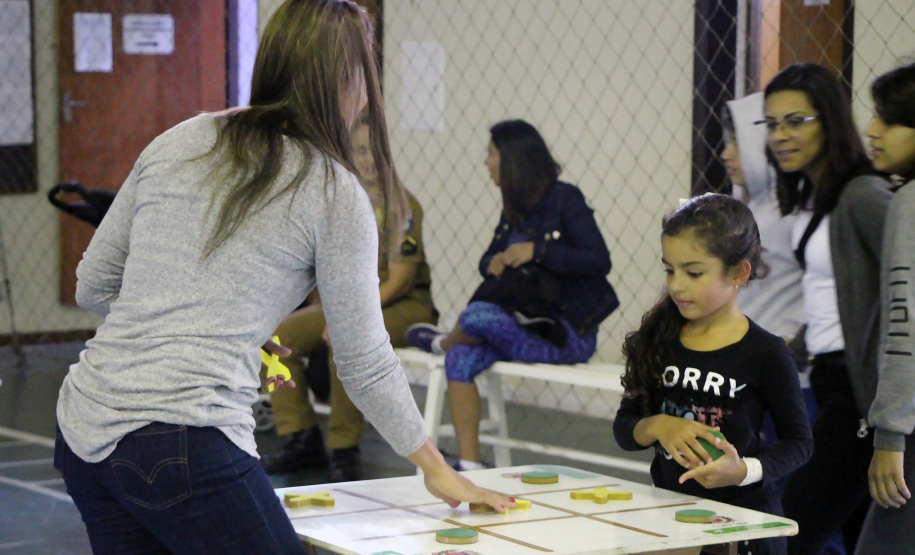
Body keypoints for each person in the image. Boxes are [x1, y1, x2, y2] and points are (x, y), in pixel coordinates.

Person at [53, 1, 511, 552]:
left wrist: (175, 323)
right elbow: (363, 362)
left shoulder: (182, 138)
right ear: (352, 82)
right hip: (183, 437)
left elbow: (93, 284)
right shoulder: (333, 191)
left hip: (82, 424)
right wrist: (436, 467)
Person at [406, 119, 619, 471]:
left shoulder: (566, 199)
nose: (486, 162)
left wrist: (537, 251)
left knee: (475, 318)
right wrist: (497, 262)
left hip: (564, 334)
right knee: (460, 359)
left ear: (513, 159)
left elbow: (599, 261)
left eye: (491, 153)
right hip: (521, 329)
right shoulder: (513, 210)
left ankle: (441, 341)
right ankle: (471, 467)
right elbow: (485, 260)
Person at [613, 193, 813, 555]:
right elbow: (625, 428)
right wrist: (658, 425)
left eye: (693, 272)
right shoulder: (658, 340)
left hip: (744, 527)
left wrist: (744, 471)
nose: (676, 285)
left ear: (738, 273)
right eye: (669, 270)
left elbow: (799, 444)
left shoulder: (766, 352)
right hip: (673, 520)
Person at [261, 114, 438, 482]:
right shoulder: (338, 203)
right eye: (359, 150)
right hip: (347, 305)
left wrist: (348, 316)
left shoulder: (402, 205)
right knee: (278, 337)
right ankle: (300, 436)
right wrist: (324, 310)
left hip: (402, 305)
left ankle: (343, 447)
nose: (368, 159)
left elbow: (402, 279)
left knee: (350, 339)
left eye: (375, 150)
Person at [761, 63, 893, 555]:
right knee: (858, 538)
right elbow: (833, 302)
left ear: (830, 121)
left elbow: (904, 286)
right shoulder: (818, 195)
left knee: (787, 532)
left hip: (863, 397)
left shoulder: (863, 194)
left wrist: (888, 402)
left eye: (796, 121)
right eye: (772, 124)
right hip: (832, 383)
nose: (781, 135)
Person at [855, 61, 915, 555]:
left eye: (889, 119)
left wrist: (889, 436)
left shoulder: (910, 203)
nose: (872, 131)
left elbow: (905, 323)